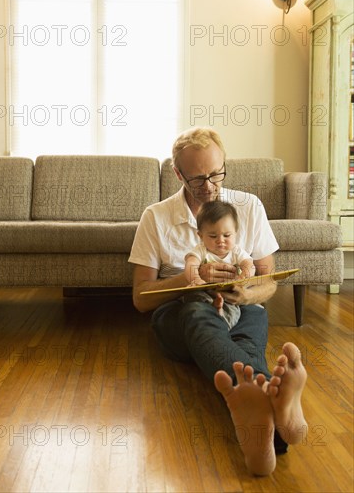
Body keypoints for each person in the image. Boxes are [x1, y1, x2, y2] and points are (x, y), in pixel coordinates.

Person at [129, 127, 308, 475]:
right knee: (198, 311)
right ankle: (268, 393)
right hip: (180, 316)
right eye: (198, 179)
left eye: (216, 174)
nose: (210, 187)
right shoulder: (156, 216)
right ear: (178, 174)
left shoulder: (249, 206)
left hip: (242, 308)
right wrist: (191, 280)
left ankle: (266, 430)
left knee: (253, 314)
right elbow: (140, 298)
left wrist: (245, 293)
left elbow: (268, 281)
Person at [184, 200, 255, 329]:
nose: (220, 241)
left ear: (235, 233)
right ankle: (210, 315)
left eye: (227, 235)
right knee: (193, 298)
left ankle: (221, 318)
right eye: (212, 236)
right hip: (205, 291)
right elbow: (190, 264)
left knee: (235, 309)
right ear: (200, 235)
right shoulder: (201, 250)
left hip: (228, 294)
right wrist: (195, 279)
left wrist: (244, 276)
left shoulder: (236, 251)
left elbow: (249, 264)